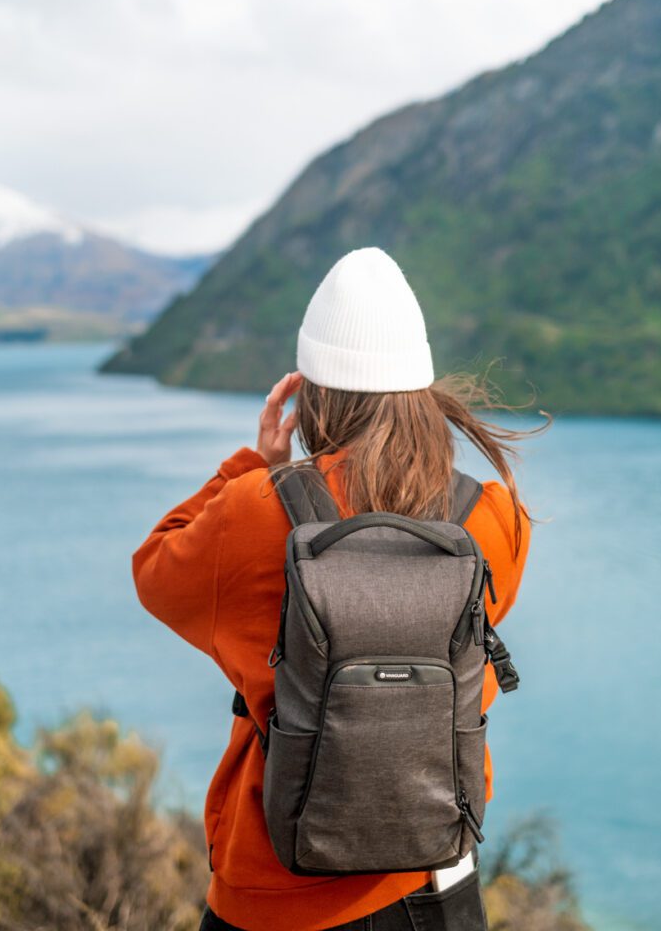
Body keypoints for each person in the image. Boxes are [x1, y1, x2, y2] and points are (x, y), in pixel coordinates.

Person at [132, 247, 545, 931]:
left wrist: (251, 467)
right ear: (420, 390)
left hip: (275, 886)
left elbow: (156, 570)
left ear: (311, 393)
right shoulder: (492, 516)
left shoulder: (253, 512)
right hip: (436, 882)